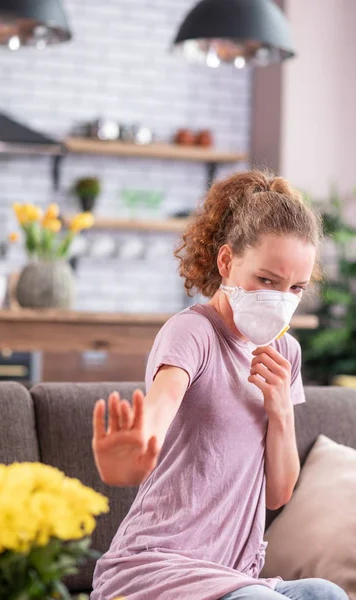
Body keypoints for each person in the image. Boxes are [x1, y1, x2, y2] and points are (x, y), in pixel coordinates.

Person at [90, 171, 348, 600]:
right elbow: (162, 402)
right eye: (267, 280)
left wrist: (280, 408)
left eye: (296, 288)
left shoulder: (287, 355)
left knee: (328, 595)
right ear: (227, 262)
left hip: (232, 575)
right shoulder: (192, 332)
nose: (281, 298)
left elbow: (279, 494)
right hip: (158, 565)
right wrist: (136, 450)